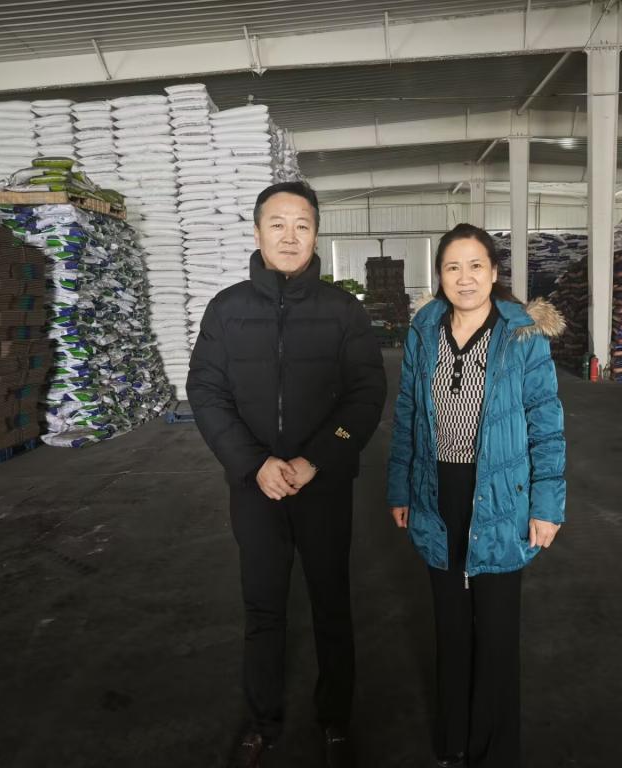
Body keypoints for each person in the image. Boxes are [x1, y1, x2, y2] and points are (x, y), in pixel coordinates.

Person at [187, 181, 386, 768]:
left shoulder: (344, 311)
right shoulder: (226, 310)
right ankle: (262, 721)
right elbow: (206, 391)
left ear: (316, 235)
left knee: (331, 605)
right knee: (264, 607)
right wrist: (254, 464)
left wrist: (316, 459)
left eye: (302, 225)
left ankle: (336, 721)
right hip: (255, 489)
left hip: (323, 485)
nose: (290, 236)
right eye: (278, 224)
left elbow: (366, 394)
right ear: (257, 233)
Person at [386, 223, 566, 768]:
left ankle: (494, 751)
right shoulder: (424, 330)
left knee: (495, 628)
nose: (464, 278)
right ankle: (454, 741)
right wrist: (399, 485)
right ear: (439, 276)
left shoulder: (521, 334)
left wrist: (546, 505)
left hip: (502, 494)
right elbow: (407, 414)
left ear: (493, 272)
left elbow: (546, 423)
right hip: (436, 490)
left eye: (475, 266)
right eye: (452, 267)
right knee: (450, 624)